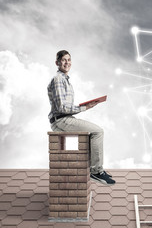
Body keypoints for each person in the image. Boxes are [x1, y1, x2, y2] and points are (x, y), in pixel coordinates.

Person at [47, 50, 115, 186]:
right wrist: (84, 107)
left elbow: (65, 106)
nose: (67, 62)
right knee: (98, 132)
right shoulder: (59, 79)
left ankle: (95, 169)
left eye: (69, 60)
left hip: (64, 118)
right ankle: (96, 172)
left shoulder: (65, 80)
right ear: (57, 63)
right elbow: (62, 108)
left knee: (90, 136)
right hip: (61, 120)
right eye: (63, 60)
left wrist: (86, 105)